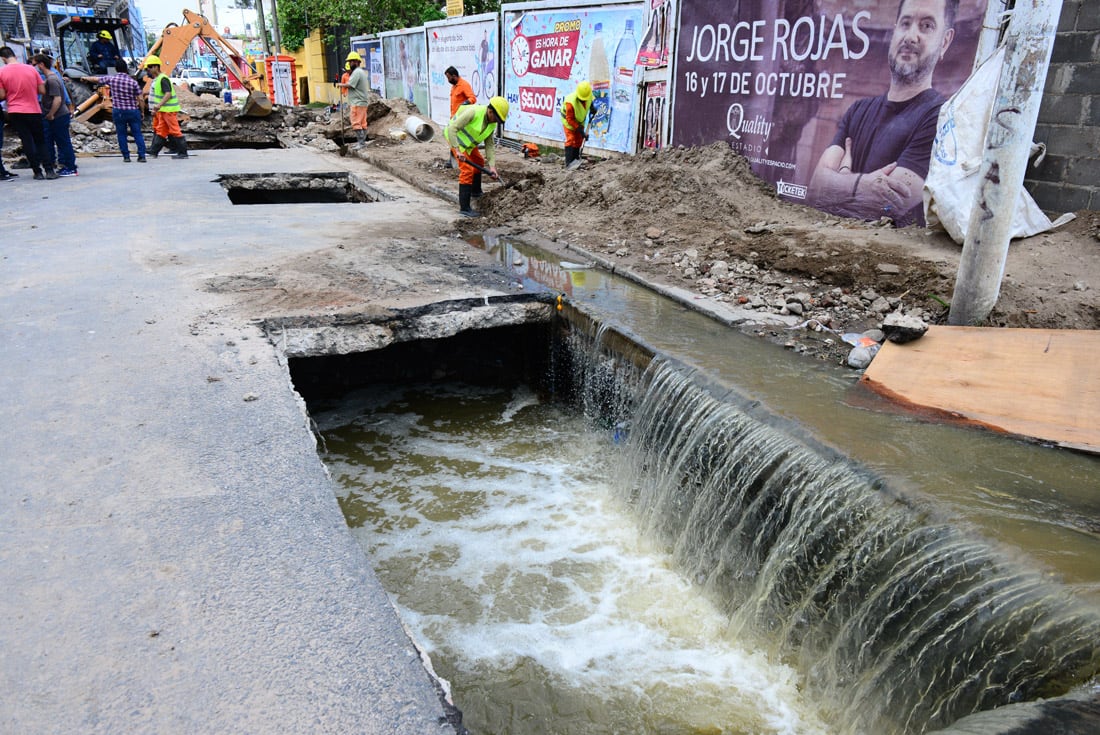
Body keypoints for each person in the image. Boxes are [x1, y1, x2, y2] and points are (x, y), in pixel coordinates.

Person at [808, 0, 957, 227]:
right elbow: (815, 189)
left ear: (944, 42)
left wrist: (842, 177)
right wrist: (860, 185)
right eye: (905, 24)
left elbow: (887, 207)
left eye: (926, 26)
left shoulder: (940, 118)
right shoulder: (858, 110)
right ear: (895, 29)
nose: (910, 36)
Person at [442, 96, 509, 218]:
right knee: (467, 170)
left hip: (467, 145)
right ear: (490, 111)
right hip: (455, 140)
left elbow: (489, 145)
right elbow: (452, 128)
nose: (496, 122)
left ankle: (476, 192)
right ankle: (465, 208)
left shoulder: (491, 124)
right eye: (496, 118)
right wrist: (456, 150)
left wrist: (492, 166)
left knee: (479, 160)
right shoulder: (474, 113)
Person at [83, 59, 146, 162]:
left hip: (119, 111)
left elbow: (97, 79)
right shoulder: (133, 82)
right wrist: (142, 111)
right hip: (132, 111)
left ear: (116, 69)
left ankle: (126, 156)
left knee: (121, 134)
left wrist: (85, 78)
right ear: (126, 69)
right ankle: (142, 156)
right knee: (137, 133)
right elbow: (141, 98)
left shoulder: (112, 79)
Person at [0, 46, 48, 180]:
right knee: (41, 141)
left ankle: (37, 172)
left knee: (27, 141)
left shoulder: (2, 72)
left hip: (16, 111)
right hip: (34, 109)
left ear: (3, 58)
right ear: (14, 55)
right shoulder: (31, 69)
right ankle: (49, 170)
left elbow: (2, 95)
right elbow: (42, 91)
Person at [33, 54, 77, 177]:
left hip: (58, 115)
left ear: (41, 64)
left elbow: (57, 99)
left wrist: (51, 114)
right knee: (59, 141)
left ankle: (70, 167)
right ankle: (65, 164)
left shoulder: (52, 79)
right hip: (58, 115)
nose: (34, 67)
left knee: (63, 142)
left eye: (35, 64)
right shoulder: (51, 77)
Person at [142, 54, 188, 159]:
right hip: (164, 110)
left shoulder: (163, 79)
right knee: (161, 130)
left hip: (168, 110)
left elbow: (168, 94)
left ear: (155, 67)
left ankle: (183, 152)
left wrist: (158, 105)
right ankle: (154, 151)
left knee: (175, 130)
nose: (147, 70)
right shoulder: (158, 79)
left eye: (148, 68)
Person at [336, 51, 370, 148]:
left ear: (355, 62)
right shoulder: (361, 72)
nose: (350, 64)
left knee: (356, 123)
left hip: (357, 102)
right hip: (362, 102)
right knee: (363, 123)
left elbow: (350, 85)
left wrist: (340, 85)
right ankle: (362, 142)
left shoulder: (356, 72)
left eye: (351, 62)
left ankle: (361, 143)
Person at [444, 66, 476, 169]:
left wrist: (465, 103)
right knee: (452, 138)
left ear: (454, 76)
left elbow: (472, 98)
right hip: (454, 117)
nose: (448, 80)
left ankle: (463, 160)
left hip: (461, 118)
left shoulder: (464, 85)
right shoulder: (454, 86)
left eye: (449, 77)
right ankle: (453, 159)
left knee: (460, 140)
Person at [561, 80, 593, 168]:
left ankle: (575, 160)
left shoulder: (588, 95)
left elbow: (590, 101)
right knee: (571, 139)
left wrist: (592, 107)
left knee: (579, 140)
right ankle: (568, 163)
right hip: (568, 122)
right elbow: (569, 119)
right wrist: (579, 129)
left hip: (580, 120)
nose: (584, 101)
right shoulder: (570, 102)